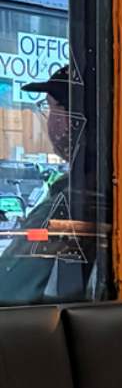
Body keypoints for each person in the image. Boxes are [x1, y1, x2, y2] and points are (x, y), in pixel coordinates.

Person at [0, 66, 97, 304]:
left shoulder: (66, 208)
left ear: (74, 119)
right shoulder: (82, 192)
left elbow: (8, 290)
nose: (49, 120)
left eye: (52, 107)